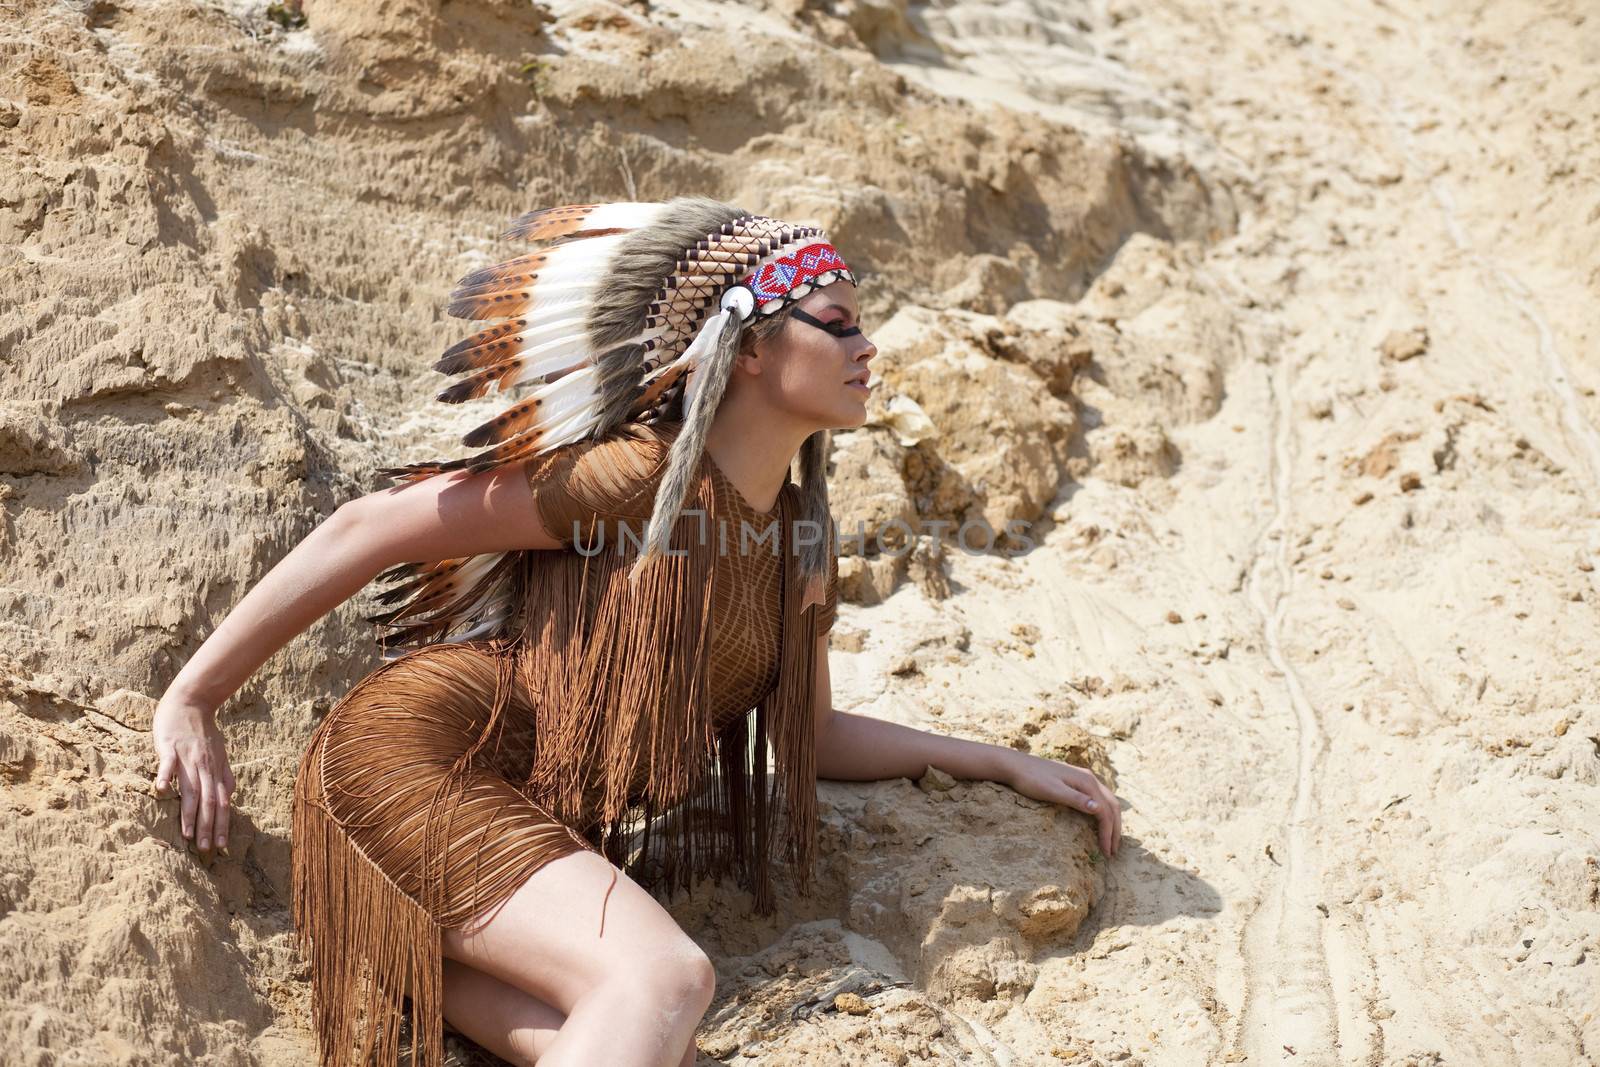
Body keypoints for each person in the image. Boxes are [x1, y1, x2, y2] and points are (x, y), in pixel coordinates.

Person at [149, 196, 1123, 1067]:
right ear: (746, 349)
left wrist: (996, 762)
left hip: (520, 835)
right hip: (419, 761)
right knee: (661, 978)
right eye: (837, 324)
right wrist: (193, 696)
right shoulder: (638, 479)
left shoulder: (804, 541)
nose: (868, 346)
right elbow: (370, 523)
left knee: (657, 1036)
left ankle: (413, 961)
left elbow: (816, 737)